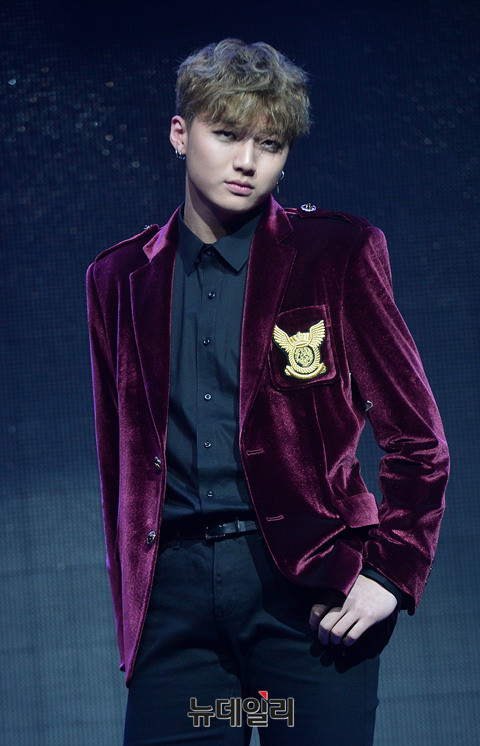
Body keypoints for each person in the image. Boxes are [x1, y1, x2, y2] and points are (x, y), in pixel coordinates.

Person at [87, 39, 449, 745]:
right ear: (180, 133)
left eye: (270, 144)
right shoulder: (119, 279)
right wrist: (135, 605)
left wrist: (390, 570)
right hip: (178, 613)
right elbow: (118, 463)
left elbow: (417, 437)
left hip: (306, 603)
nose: (247, 161)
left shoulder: (335, 253)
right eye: (227, 135)